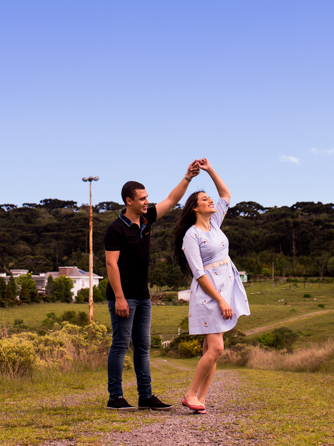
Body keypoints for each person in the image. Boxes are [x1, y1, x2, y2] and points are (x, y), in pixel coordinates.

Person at [104, 161, 200, 411]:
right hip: (123, 297)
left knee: (143, 347)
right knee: (120, 345)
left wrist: (187, 177)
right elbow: (111, 265)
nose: (147, 201)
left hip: (143, 296)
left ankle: (145, 396)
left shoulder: (146, 220)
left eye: (147, 198)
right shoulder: (115, 230)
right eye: (142, 198)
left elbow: (171, 199)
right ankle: (115, 397)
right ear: (129, 200)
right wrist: (120, 298)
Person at [174, 159, 249, 414]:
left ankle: (200, 398)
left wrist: (209, 170)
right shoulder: (191, 235)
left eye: (209, 198)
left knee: (211, 351)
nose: (211, 201)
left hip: (224, 289)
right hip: (209, 295)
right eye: (205, 199)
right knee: (217, 348)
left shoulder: (215, 223)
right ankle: (190, 394)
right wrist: (221, 300)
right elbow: (198, 273)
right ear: (195, 208)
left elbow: (226, 194)